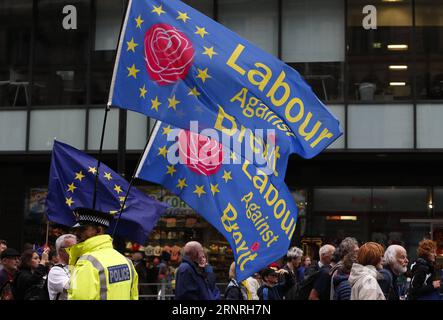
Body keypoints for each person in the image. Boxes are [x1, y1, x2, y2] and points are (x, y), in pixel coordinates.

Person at [67, 207, 138, 300]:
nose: (76, 233)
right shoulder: (126, 261)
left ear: (99, 230)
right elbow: (133, 296)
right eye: (75, 230)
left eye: (82, 229)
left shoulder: (87, 263)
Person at [47, 234, 77, 300]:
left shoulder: (75, 266)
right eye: (72, 248)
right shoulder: (55, 271)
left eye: (77, 248)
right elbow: (73, 288)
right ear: (61, 251)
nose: (77, 251)